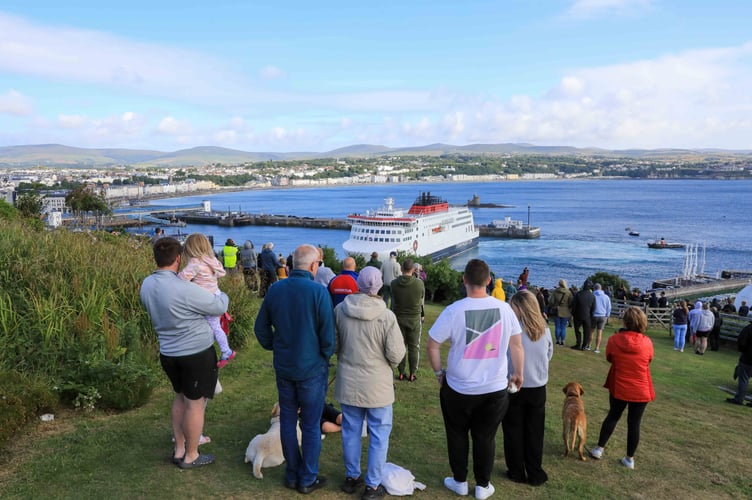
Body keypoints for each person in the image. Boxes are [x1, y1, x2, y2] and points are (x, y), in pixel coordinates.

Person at [427, 259, 524, 500]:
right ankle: (482, 486)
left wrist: (440, 373)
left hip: (458, 387)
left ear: (464, 280)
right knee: (485, 436)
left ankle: (460, 481)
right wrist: (518, 373)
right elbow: (517, 346)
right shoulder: (504, 309)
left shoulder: (454, 310)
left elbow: (432, 346)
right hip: (494, 388)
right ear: (489, 281)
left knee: (457, 434)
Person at [140, 237, 228, 469]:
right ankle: (191, 455)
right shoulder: (184, 287)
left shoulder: (147, 284)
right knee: (195, 404)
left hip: (168, 352)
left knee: (180, 397)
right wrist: (222, 295)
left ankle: (179, 449)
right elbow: (218, 307)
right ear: (179, 258)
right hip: (195, 352)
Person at [254, 244, 335, 494]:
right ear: (313, 266)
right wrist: (324, 355)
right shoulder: (319, 292)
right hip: (312, 368)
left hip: (285, 367)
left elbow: (261, 328)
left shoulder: (276, 290)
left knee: (288, 421)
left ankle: (292, 473)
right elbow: (328, 336)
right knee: (310, 425)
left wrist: (275, 346)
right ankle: (307, 478)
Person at [334, 266, 406, 499]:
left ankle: (352, 476)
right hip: (378, 385)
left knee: (351, 430)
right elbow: (396, 355)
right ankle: (373, 485)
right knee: (379, 434)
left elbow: (334, 345)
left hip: (349, 381)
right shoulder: (386, 316)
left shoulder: (340, 311)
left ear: (358, 285)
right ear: (379, 286)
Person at [589, 306, 655, 470]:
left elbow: (610, 357)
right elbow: (649, 359)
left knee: (613, 415)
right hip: (641, 387)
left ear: (625, 321)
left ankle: (599, 448)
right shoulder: (647, 342)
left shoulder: (615, 340)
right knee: (634, 423)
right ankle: (629, 458)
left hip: (620, 384)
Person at [502, 290, 553, 487]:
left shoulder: (512, 332)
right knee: (534, 430)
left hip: (515, 384)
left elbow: (506, 357)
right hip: (538, 385)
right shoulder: (545, 330)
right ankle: (534, 471)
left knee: (513, 429)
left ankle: (516, 470)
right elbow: (549, 354)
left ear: (520, 308)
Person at [177, 233, 236, 368]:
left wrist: (173, 277)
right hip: (215, 293)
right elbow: (221, 273)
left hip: (205, 298)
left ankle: (226, 351)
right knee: (215, 325)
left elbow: (183, 278)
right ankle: (224, 350)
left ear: (190, 248)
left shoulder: (195, 262)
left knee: (212, 326)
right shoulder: (211, 259)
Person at [391, 258, 425, 382]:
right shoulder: (419, 283)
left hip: (398, 318)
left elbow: (393, 300)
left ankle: (401, 372)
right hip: (414, 319)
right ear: (413, 270)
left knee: (401, 346)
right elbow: (421, 299)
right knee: (413, 347)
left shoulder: (394, 284)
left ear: (401, 269)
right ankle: (412, 374)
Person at [725, 322, 752, 406]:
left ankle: (739, 398)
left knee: (743, 379)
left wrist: (743, 350)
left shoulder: (749, 328)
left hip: (748, 357)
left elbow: (741, 341)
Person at [571, 280, 595, 350]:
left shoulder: (578, 294)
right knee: (586, 331)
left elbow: (574, 305)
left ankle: (578, 343)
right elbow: (593, 308)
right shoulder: (592, 296)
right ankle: (584, 345)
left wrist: (573, 314)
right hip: (587, 316)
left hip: (578, 315)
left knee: (577, 330)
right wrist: (590, 315)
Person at [550, 279, 573, 346]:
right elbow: (571, 302)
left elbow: (551, 301)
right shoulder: (568, 292)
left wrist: (553, 306)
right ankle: (562, 341)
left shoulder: (555, 291)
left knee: (557, 326)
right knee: (563, 327)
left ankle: (557, 341)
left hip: (557, 310)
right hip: (565, 311)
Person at [592, 283, 612, 354]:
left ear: (594, 288)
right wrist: (607, 315)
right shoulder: (606, 297)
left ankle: (588, 345)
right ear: (601, 288)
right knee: (599, 332)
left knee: (591, 331)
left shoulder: (593, 295)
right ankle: (597, 348)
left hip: (594, 315)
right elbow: (609, 307)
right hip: (602, 315)